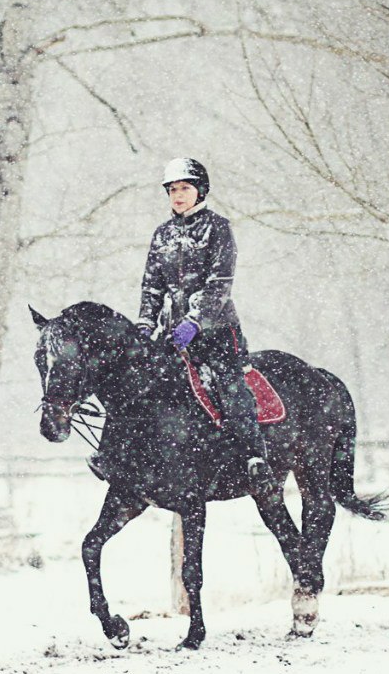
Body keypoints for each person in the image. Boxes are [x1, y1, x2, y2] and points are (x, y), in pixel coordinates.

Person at [88, 157, 271, 490]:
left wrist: (195, 321)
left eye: (184, 188)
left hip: (217, 331)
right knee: (134, 383)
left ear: (200, 190)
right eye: (172, 190)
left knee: (230, 384)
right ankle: (114, 455)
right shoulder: (162, 235)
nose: (177, 195)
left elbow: (220, 283)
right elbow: (152, 286)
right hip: (172, 335)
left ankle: (252, 456)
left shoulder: (217, 227)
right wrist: (144, 326)